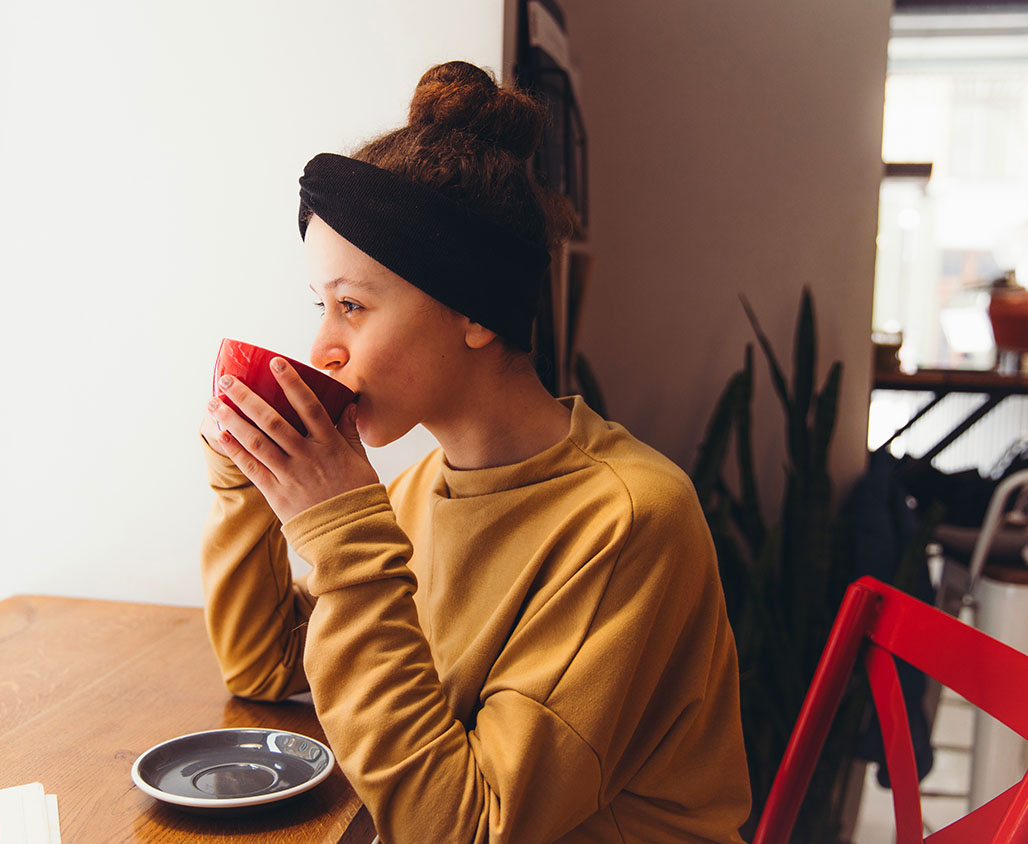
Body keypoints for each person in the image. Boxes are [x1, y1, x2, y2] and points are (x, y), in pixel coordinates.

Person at [199, 60, 751, 844]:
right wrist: (247, 479)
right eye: (321, 306)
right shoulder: (429, 487)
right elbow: (266, 669)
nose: (322, 345)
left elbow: (466, 827)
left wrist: (346, 541)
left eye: (352, 306)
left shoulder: (628, 521)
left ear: (474, 311)